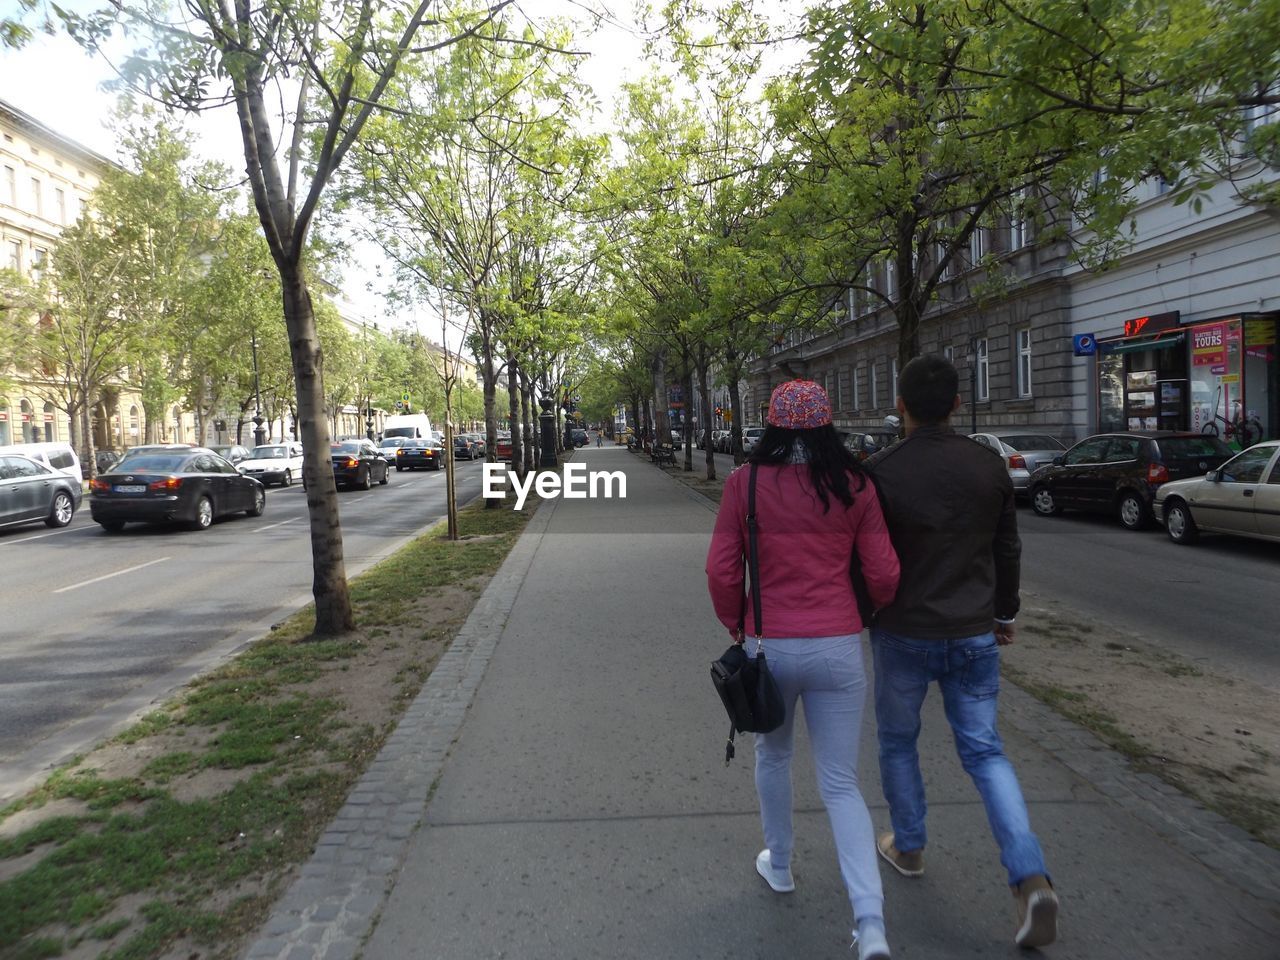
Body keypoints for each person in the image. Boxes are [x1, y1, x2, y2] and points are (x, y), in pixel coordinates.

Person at [864, 355, 1059, 949]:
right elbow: (1008, 548)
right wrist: (1005, 613)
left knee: (899, 742)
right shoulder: (988, 464)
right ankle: (1030, 880)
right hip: (974, 633)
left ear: (900, 405)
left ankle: (911, 845)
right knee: (986, 753)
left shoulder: (879, 471)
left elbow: (869, 559)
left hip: (902, 631)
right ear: (956, 404)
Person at [706, 380, 900, 960]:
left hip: (770, 645)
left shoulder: (746, 484)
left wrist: (736, 626)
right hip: (837, 644)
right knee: (841, 783)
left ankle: (781, 863)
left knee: (774, 755)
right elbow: (885, 574)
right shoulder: (856, 485)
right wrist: (861, 613)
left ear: (771, 425)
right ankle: (870, 926)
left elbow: (720, 570)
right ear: (825, 425)